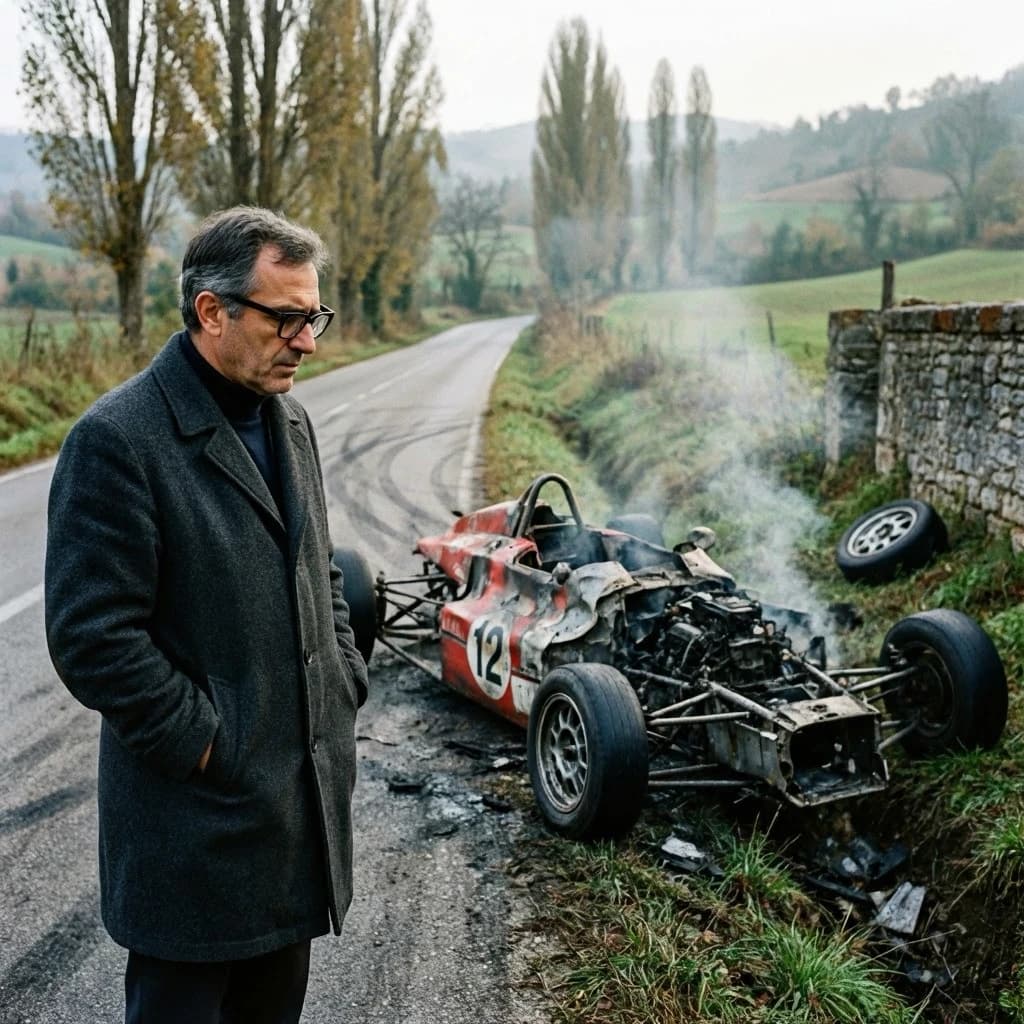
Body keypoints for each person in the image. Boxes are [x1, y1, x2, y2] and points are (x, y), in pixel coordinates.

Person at [44, 206, 369, 1023]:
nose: (307, 340)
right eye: (286, 318)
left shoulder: (290, 420)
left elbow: (318, 566)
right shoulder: (118, 441)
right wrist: (209, 741)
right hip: (192, 843)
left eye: (313, 316)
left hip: (294, 831)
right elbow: (92, 638)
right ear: (212, 312)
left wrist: (340, 675)